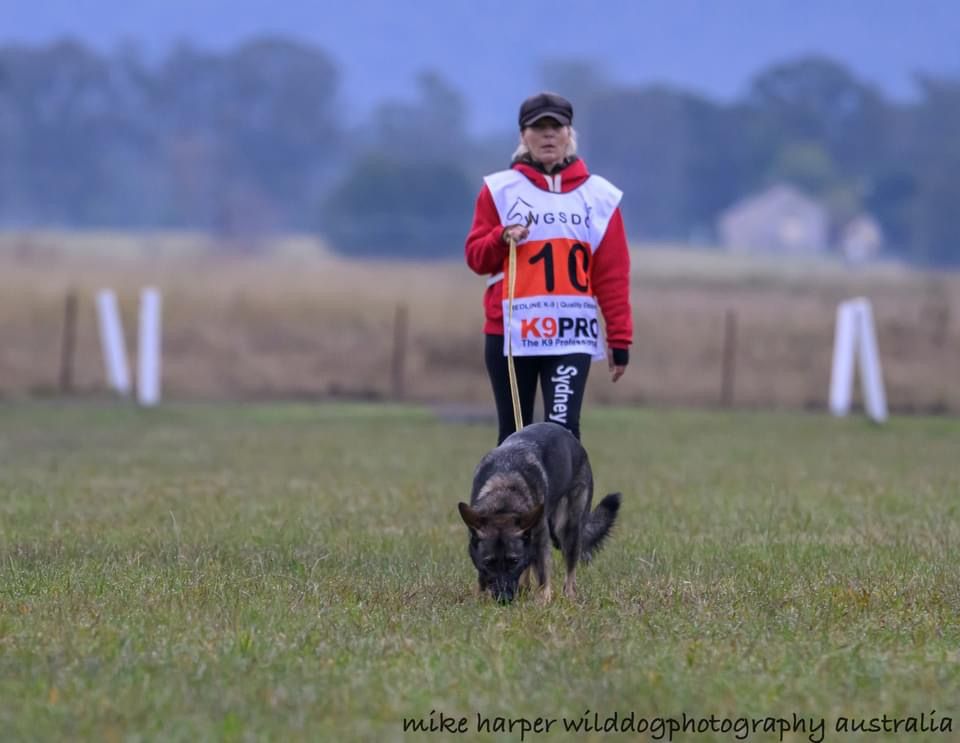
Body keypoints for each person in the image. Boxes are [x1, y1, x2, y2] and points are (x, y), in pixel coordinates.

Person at [465, 92, 633, 444]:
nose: (547, 135)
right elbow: (476, 258)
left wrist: (619, 337)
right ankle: (512, 501)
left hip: (570, 332)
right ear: (523, 136)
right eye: (537, 127)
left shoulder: (599, 197)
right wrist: (500, 237)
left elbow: (612, 274)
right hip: (512, 332)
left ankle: (566, 502)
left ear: (569, 133)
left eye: (555, 126)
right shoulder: (499, 191)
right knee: (514, 436)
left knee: (563, 434)